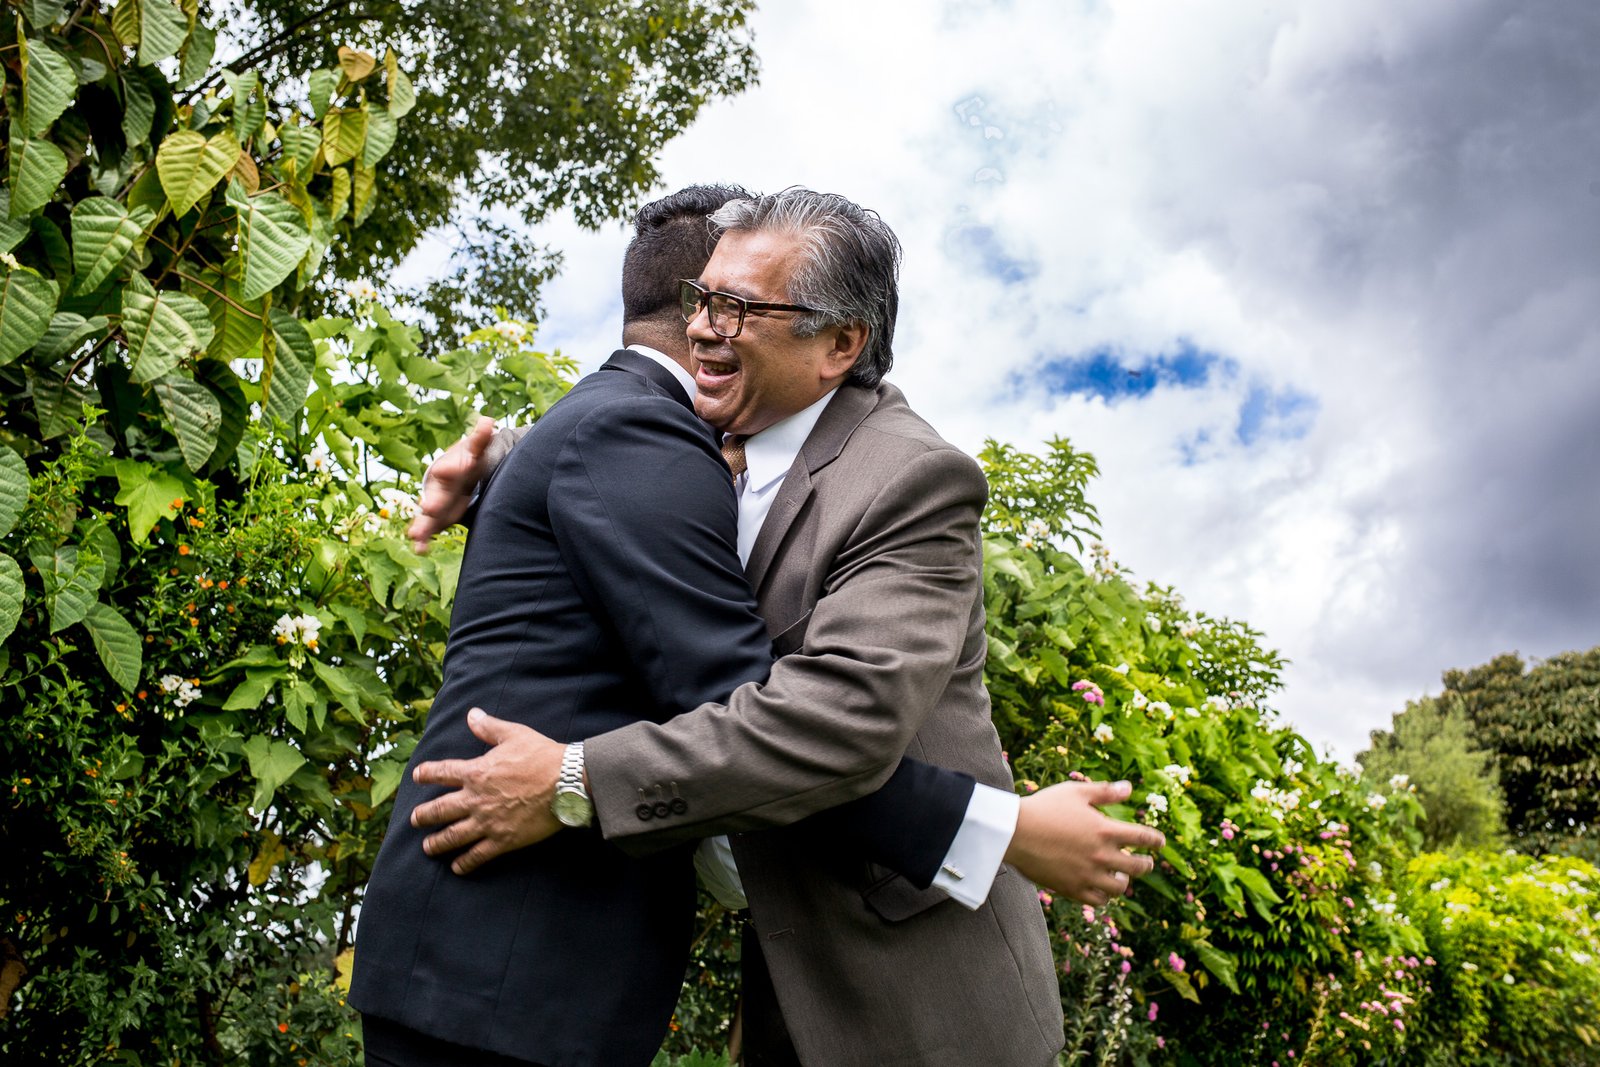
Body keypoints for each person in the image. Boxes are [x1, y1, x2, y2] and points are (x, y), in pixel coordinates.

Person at [404, 188, 1164, 1066]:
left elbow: (834, 724)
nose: (702, 330)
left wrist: (575, 778)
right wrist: (507, 470)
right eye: (701, 299)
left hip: (921, 1001)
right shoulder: (717, 432)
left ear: (841, 343)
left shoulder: (910, 480)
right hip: (788, 988)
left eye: (740, 308)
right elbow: (620, 484)